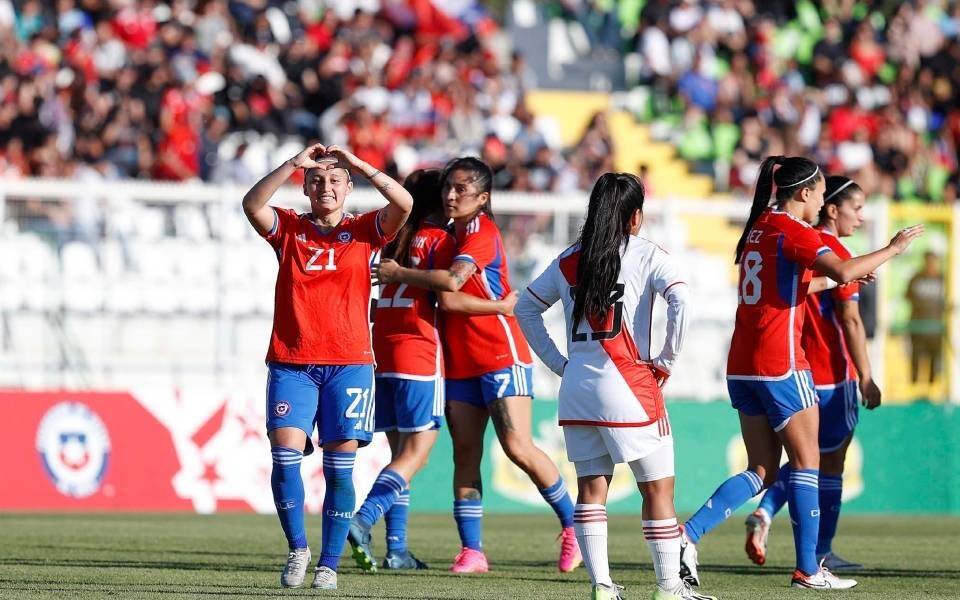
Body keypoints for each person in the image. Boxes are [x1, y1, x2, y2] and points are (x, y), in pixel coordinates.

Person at [678, 156, 922, 591]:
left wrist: (835, 280)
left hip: (743, 366)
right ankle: (810, 569)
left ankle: (687, 536)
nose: (824, 200)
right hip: (782, 363)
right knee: (809, 463)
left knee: (761, 470)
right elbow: (845, 269)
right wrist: (894, 248)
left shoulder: (759, 228)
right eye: (822, 192)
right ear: (805, 193)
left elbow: (795, 285)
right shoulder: (795, 230)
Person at [372, 157, 581, 574]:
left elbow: (450, 290)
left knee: (518, 448)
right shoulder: (447, 235)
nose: (452, 194)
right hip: (459, 360)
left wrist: (401, 272)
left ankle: (574, 530)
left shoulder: (481, 232)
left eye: (462, 189)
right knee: (464, 457)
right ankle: (472, 551)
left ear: (483, 198)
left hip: (500, 352)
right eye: (448, 187)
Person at [515, 173, 716, 600]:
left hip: (578, 388)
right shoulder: (646, 253)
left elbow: (525, 308)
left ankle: (602, 586)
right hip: (629, 384)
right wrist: (665, 360)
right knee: (658, 488)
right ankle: (668, 587)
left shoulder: (569, 257)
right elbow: (681, 300)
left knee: (591, 490)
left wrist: (558, 364)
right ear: (636, 216)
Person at [242, 143, 412, 590]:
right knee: (284, 458)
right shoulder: (290, 230)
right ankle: (298, 548)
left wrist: (360, 163)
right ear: (305, 186)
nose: (326, 187)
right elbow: (252, 204)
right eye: (317, 180)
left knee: (341, 469)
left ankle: (329, 565)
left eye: (336, 180)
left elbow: (404, 203)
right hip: (292, 363)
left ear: (348, 188)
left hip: (349, 365)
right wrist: (292, 163)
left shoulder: (365, 231)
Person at [346, 169, 516, 572]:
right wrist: (500, 307)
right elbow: (448, 290)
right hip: (418, 353)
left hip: (382, 353)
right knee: (416, 455)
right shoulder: (438, 240)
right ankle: (362, 519)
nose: (451, 198)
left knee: (399, 455)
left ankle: (398, 550)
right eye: (445, 191)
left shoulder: (392, 241)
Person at [744, 176, 881, 571]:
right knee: (826, 462)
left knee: (800, 459)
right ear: (832, 208)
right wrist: (866, 375)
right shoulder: (833, 251)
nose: (860, 216)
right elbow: (851, 320)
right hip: (830, 376)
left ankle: (768, 513)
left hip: (789, 367)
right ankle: (820, 553)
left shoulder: (789, 240)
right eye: (855, 208)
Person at [906, 251, 945, 384]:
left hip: (936, 328)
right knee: (916, 357)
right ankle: (914, 385)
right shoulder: (916, 278)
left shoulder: (943, 279)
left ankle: (933, 387)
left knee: (935, 359)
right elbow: (907, 296)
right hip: (917, 326)